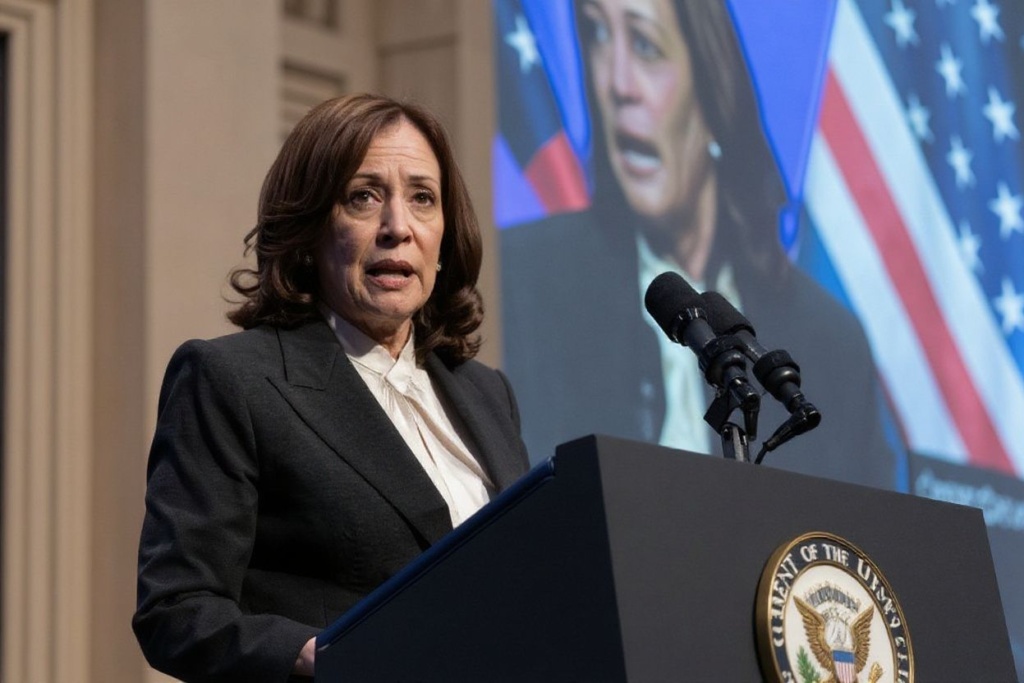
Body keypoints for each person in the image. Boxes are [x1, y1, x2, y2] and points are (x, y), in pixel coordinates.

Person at [133, 93, 531, 682]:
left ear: (445, 237)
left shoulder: (484, 392)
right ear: (310, 228)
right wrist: (319, 653)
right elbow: (176, 610)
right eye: (363, 197)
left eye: (423, 198)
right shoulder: (233, 380)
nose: (398, 228)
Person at [501, 0, 898, 488]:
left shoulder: (830, 341)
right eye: (597, 36)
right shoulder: (528, 284)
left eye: (645, 45)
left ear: (713, 91)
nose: (617, 84)